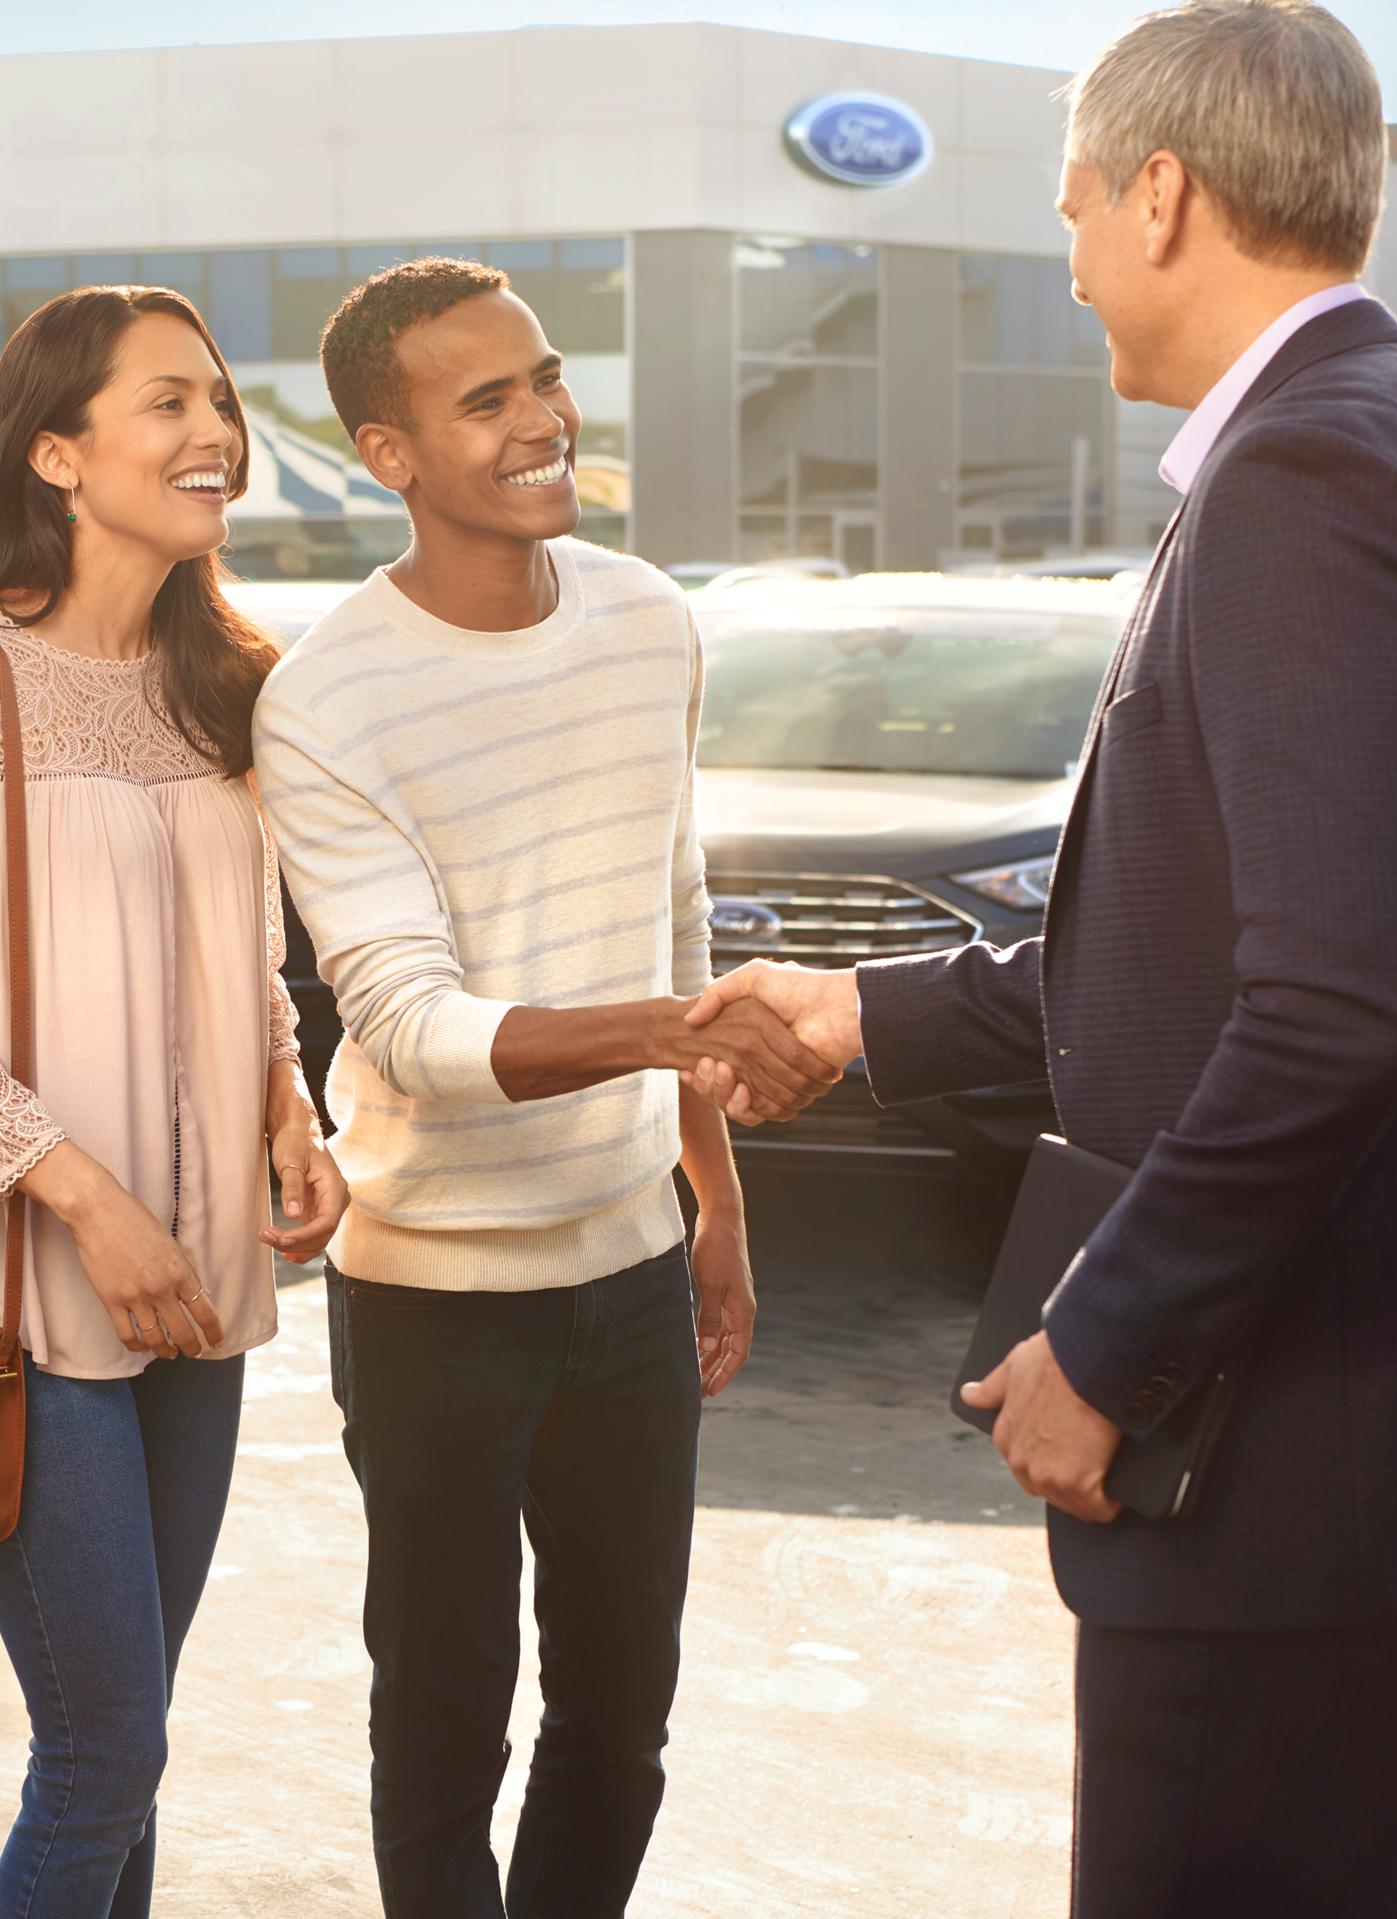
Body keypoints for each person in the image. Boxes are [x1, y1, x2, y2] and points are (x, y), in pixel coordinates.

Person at [686, 4, 1397, 1913]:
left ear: (1165, 195)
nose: (1075, 256)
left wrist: (1111, 1346)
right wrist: (864, 1013)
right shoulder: (1377, 429)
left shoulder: (1312, 474)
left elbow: (1346, 994)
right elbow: (1196, 939)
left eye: (1078, 206)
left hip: (1293, 1470)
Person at [251, 257, 835, 1919]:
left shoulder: (652, 618)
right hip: (435, 1296)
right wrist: (672, 1034)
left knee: (620, 1725)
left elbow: (679, 920)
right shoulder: (329, 696)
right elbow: (412, 1023)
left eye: (547, 378)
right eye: (484, 399)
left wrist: (714, 1201)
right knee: (443, 1736)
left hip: (633, 1268)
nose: (541, 420)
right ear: (390, 453)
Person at [0, 284, 347, 1918]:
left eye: (221, 401)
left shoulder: (237, 690)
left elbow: (249, 951)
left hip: (204, 1274)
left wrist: (292, 1104)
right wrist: (77, 1188)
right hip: (38, 1290)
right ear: (57, 452)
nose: (217, 431)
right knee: (105, 1751)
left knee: (126, 1749)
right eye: (168, 405)